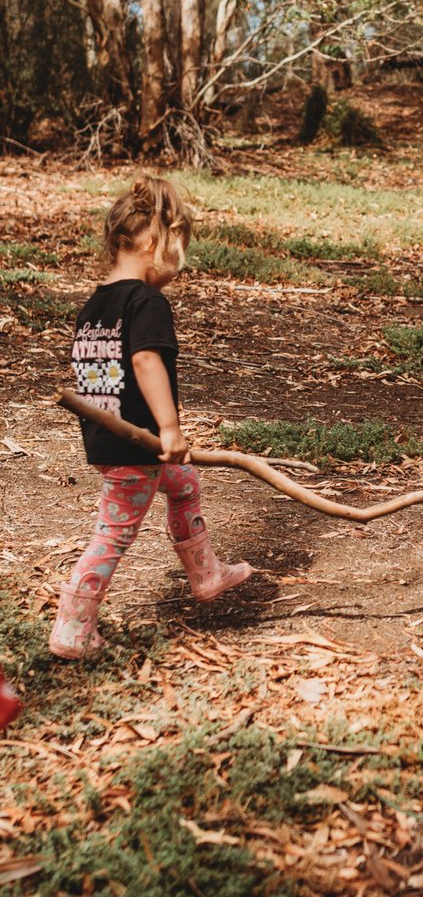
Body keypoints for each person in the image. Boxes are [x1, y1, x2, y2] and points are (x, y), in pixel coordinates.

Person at [51, 177, 253, 659]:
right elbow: (145, 362)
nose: (177, 268)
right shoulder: (147, 303)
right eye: (177, 250)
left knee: (183, 482)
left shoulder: (96, 305)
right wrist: (169, 428)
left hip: (109, 436)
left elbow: (96, 369)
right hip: (138, 446)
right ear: (151, 243)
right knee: (113, 532)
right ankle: (72, 626)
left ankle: (205, 574)